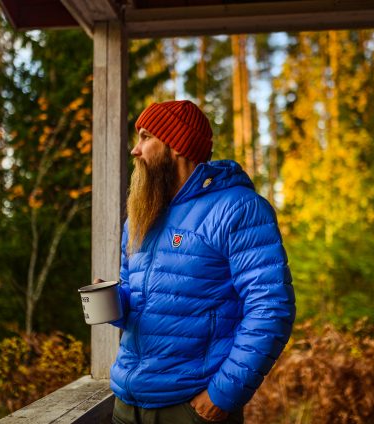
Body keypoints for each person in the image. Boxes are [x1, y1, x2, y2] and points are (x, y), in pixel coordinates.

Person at [105, 100, 295, 424]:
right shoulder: (142, 215)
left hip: (189, 408)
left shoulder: (238, 208)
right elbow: (136, 302)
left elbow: (271, 308)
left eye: (146, 137)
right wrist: (112, 300)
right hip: (126, 404)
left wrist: (222, 395)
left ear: (177, 145)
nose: (135, 150)